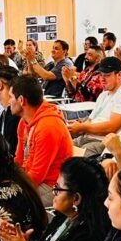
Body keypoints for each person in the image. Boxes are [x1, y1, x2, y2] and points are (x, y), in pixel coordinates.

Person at [11, 75, 73, 206]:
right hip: (35, 179)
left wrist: (11, 186)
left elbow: (37, 175)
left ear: (21, 100)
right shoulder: (24, 122)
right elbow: (19, 159)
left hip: (54, 186)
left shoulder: (48, 127)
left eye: (11, 97)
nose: (9, 101)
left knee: (9, 202)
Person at [68, 56, 121, 158]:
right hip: (88, 136)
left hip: (102, 141)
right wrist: (78, 126)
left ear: (119, 74)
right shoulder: (104, 94)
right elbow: (91, 119)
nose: (102, 79)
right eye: (101, 75)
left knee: (73, 159)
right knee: (58, 150)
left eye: (107, 75)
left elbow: (111, 127)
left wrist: (82, 127)